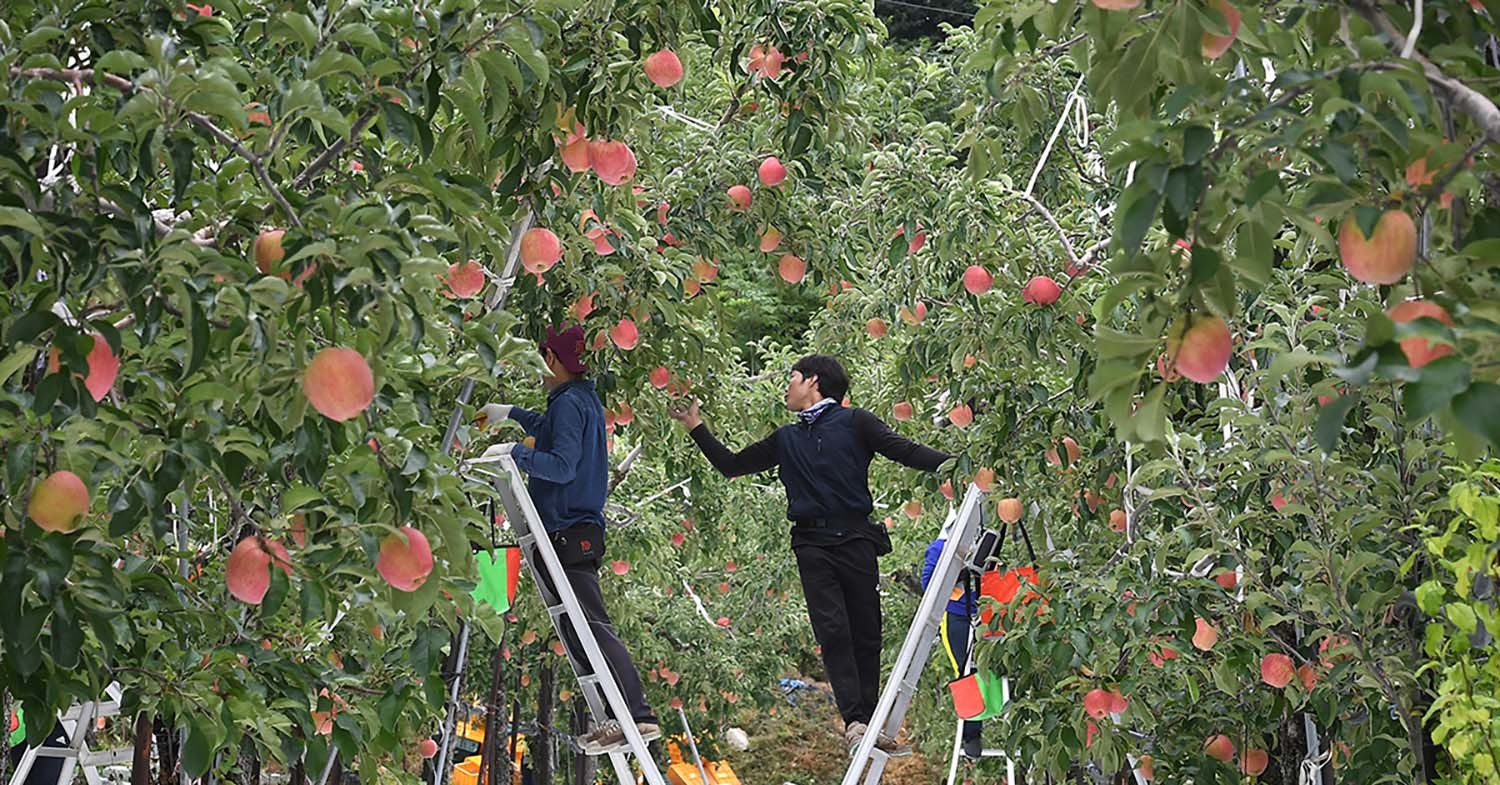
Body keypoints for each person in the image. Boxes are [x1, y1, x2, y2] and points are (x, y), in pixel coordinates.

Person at [670, 354, 953, 757]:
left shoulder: (856, 422)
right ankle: (856, 722)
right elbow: (731, 465)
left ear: (813, 381)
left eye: (792, 378)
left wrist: (959, 467)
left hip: (855, 537)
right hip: (811, 543)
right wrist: (694, 425)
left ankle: (869, 721)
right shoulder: (786, 438)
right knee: (832, 629)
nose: (786, 387)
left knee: (866, 631)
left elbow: (906, 451)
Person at [474, 324, 658, 755]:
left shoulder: (571, 404)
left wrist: (514, 453)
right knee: (580, 628)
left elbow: (561, 466)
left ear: (551, 359)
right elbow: (550, 430)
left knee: (592, 625)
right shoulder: (577, 400)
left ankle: (638, 713)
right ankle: (619, 717)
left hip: (568, 530)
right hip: (570, 529)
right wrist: (511, 413)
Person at [921, 513, 983, 759]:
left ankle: (991, 711)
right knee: (965, 670)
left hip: (988, 614)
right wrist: (957, 581)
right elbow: (929, 585)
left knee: (991, 666)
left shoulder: (984, 543)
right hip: (957, 616)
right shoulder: (940, 548)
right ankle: (972, 734)